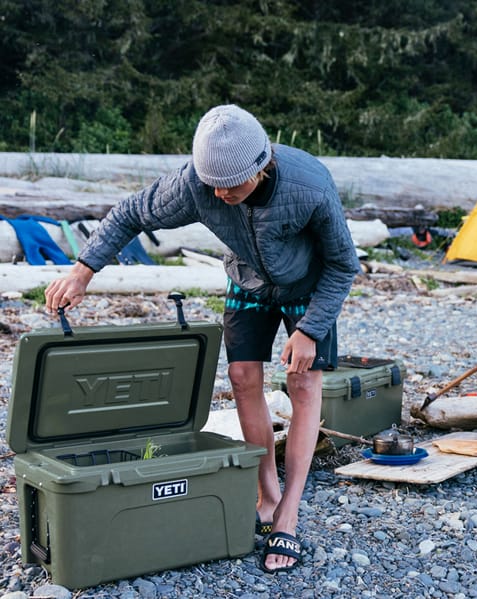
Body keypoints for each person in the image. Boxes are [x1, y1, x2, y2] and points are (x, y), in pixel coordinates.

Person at [44, 104, 360, 574]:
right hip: (248, 280)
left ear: (261, 165)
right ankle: (267, 494)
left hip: (308, 286)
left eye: (230, 185)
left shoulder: (309, 185)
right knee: (242, 377)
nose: (219, 193)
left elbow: (343, 263)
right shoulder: (197, 183)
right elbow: (131, 213)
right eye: (212, 183)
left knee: (303, 384)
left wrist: (311, 330)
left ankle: (290, 513)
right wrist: (84, 269)